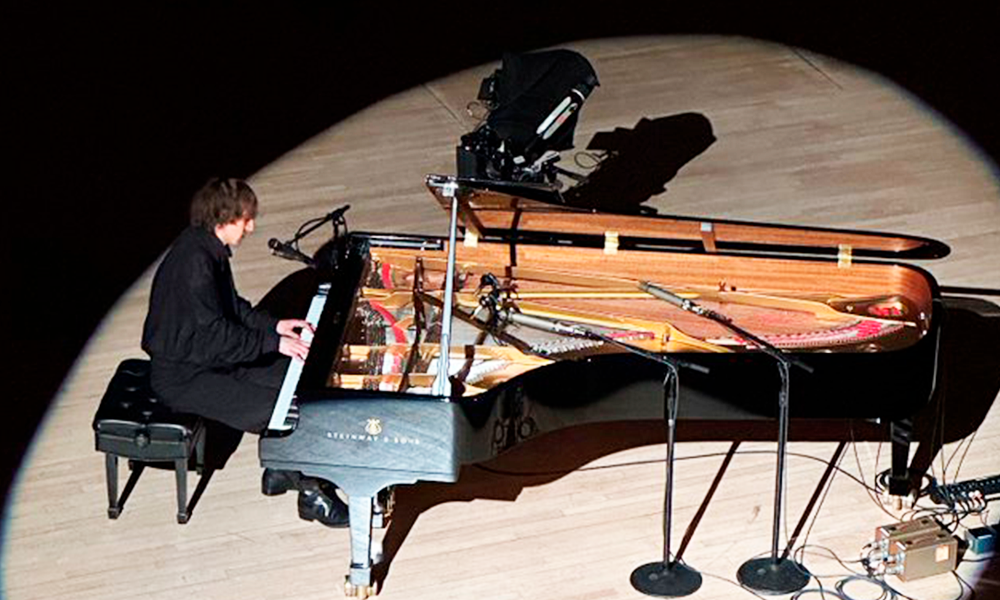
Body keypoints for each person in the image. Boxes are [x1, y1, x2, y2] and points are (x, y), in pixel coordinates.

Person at [141, 177, 348, 527]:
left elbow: (232, 308)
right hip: (185, 377)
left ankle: (280, 470)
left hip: (210, 360)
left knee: (294, 381)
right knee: (288, 412)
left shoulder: (204, 247)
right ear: (223, 219)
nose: (251, 227)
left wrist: (274, 326)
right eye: (245, 219)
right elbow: (218, 337)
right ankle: (313, 496)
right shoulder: (196, 264)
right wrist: (273, 343)